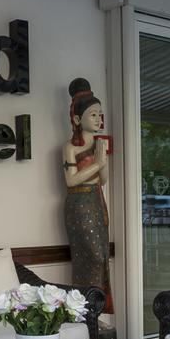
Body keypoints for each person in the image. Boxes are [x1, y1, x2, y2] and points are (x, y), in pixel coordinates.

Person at [63, 78, 111, 311]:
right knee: (90, 255)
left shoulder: (100, 143)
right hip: (79, 203)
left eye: (100, 114)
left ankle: (96, 310)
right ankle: (83, 308)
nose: (98, 119)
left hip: (96, 200)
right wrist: (98, 163)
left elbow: (104, 179)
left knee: (102, 257)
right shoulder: (70, 147)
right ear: (76, 119)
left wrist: (103, 160)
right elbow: (71, 180)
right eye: (93, 114)